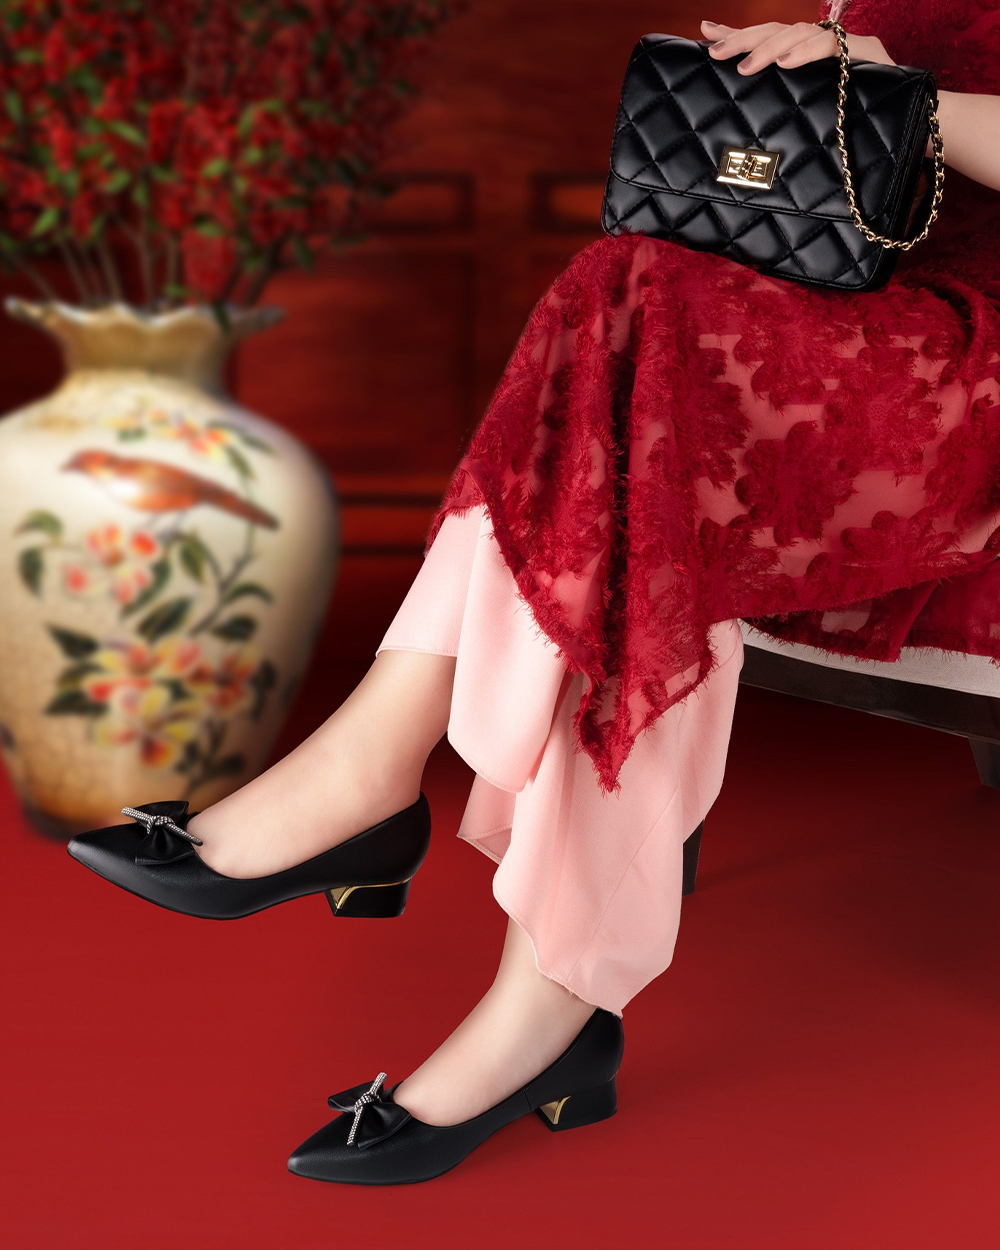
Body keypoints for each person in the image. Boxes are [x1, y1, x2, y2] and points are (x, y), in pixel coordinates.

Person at [68, 0, 1000, 1185]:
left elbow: (906, 117)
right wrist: (824, 63)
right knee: (627, 325)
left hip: (970, 378)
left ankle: (387, 793)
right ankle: (545, 993)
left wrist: (902, 98)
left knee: (639, 371)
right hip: (845, 317)